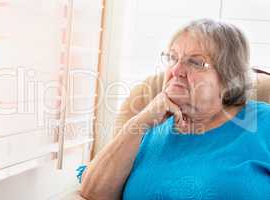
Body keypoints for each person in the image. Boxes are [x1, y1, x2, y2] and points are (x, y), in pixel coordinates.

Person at [77, 19, 270, 199]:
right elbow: (92, 193)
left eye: (196, 62)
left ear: (229, 77)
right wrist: (140, 122)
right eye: (172, 58)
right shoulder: (147, 128)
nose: (176, 70)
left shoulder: (262, 123)